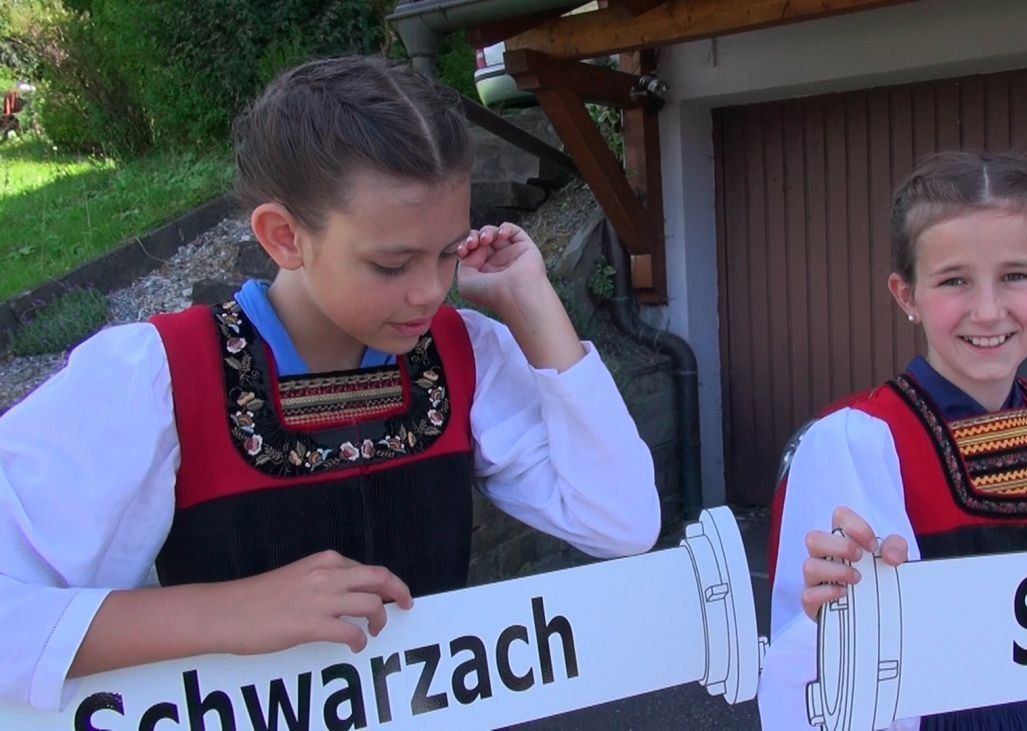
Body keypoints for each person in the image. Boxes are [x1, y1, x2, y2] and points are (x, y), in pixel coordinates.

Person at [0, 56, 660, 711]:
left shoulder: (466, 353)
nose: (431, 291)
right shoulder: (157, 378)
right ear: (284, 236)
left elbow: (622, 522)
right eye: (392, 264)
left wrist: (532, 304)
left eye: (447, 253)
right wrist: (232, 611)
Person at [759, 151, 1027, 730]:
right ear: (907, 295)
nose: (989, 312)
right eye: (954, 281)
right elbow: (824, 665)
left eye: (1015, 276)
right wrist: (837, 615)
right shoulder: (860, 443)